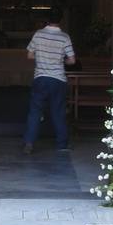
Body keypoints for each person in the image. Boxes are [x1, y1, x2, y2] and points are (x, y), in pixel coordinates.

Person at [22, 8, 75, 153]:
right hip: (58, 79)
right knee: (58, 111)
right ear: (61, 20)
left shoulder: (38, 35)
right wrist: (59, 61)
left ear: (46, 20)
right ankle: (62, 144)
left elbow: (29, 56)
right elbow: (72, 60)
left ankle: (29, 143)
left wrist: (42, 59)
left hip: (41, 78)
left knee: (35, 111)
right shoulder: (65, 37)